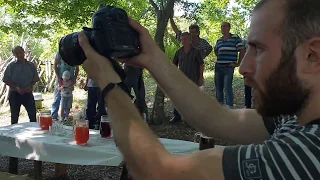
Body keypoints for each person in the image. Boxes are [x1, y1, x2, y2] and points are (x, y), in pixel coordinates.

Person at [79, 0, 320, 178]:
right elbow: (217, 119)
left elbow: (157, 172)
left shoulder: (306, 153)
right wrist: (151, 57)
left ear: (312, 56)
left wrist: (109, 83)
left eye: (258, 49)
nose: (243, 67)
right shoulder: (294, 116)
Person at [170, 32, 204, 124]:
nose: (183, 41)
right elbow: (174, 65)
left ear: (189, 40)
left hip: (193, 79)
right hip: (181, 80)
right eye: (182, 39)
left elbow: (201, 64)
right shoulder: (179, 52)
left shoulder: (196, 52)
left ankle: (192, 118)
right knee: (178, 98)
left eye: (185, 39)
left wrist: (201, 77)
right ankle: (177, 116)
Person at [3, 46, 39, 124]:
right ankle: (13, 135)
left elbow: (35, 79)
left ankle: (34, 133)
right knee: (14, 117)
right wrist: (16, 88)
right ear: (14, 55)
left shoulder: (31, 65)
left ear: (23, 52)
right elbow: (5, 80)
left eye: (20, 52)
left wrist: (30, 86)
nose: (19, 54)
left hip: (28, 94)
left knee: (33, 116)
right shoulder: (11, 66)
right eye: (16, 53)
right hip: (15, 94)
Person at [214, 22, 246, 108]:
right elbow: (216, 50)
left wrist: (238, 63)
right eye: (221, 26)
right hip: (218, 67)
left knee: (227, 87)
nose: (222, 28)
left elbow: (242, 50)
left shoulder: (235, 38)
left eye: (224, 26)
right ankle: (220, 106)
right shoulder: (219, 40)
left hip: (228, 67)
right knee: (218, 87)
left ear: (229, 28)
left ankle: (229, 107)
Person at [51, 52, 79, 120]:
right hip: (61, 78)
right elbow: (55, 65)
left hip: (70, 79)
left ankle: (65, 116)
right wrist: (59, 78)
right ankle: (54, 115)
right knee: (57, 96)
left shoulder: (74, 53)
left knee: (67, 97)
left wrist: (74, 78)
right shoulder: (60, 53)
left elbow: (77, 68)